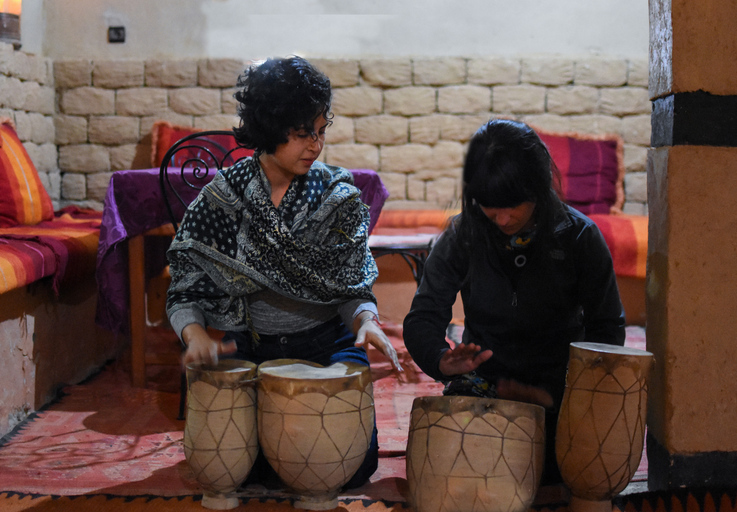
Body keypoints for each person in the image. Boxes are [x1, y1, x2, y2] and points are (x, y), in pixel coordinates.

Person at [165, 56, 402, 488]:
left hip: (329, 345)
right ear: (270, 130)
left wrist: (366, 321)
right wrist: (195, 334)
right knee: (235, 467)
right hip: (254, 350)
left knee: (350, 464)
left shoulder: (336, 196)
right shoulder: (223, 197)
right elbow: (186, 287)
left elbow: (351, 284)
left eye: (321, 132)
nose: (316, 145)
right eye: (302, 134)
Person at [402, 119, 625, 485]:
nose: (503, 219)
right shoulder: (464, 235)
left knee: (571, 466)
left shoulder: (579, 237)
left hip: (559, 387)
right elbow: (424, 316)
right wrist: (441, 360)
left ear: (538, 188)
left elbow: (608, 329)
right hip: (486, 382)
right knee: (447, 459)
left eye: (513, 206)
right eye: (490, 207)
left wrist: (564, 391)